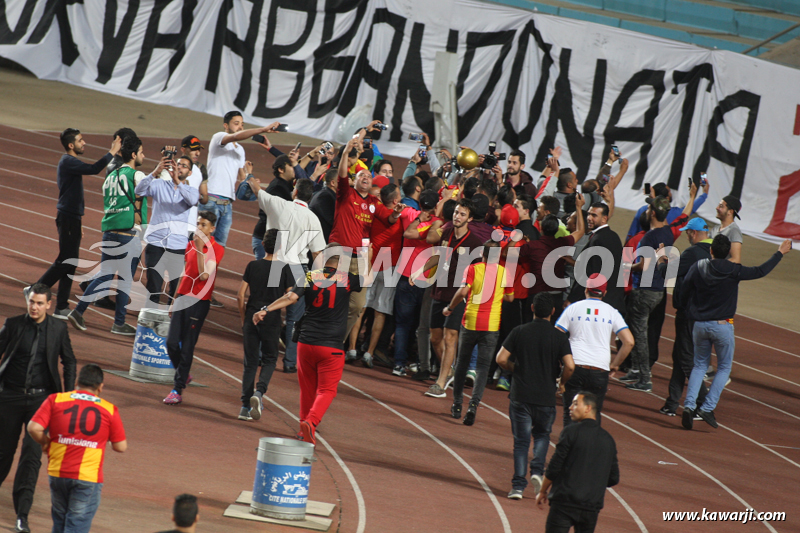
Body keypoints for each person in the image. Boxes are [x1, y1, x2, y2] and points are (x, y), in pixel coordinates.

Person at [253, 243, 372, 445]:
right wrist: (366, 254)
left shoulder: (309, 277)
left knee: (308, 389)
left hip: (306, 344)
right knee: (327, 390)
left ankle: (302, 428)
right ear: (342, 261)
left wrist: (267, 309)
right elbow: (367, 279)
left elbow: (290, 297)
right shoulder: (346, 279)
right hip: (331, 346)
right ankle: (311, 422)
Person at [681, 235, 791, 429]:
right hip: (723, 326)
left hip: (700, 324)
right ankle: (707, 408)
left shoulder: (699, 267)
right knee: (723, 368)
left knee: (699, 366)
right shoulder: (734, 271)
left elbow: (685, 290)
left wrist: (689, 310)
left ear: (711, 250)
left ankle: (689, 406)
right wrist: (779, 253)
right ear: (729, 253)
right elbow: (760, 271)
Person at [0, 284, 76, 533]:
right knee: (3, 454)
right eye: (32, 302)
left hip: (41, 402)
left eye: (40, 303)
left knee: (31, 460)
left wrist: (68, 396)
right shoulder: (12, 325)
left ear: (49, 304)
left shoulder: (58, 328)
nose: (34, 307)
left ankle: (22, 515)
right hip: (9, 397)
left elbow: (69, 360)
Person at [29, 129, 120, 319]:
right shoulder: (68, 161)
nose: (84, 142)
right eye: (80, 140)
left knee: (70, 262)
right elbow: (94, 169)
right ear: (71, 145)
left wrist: (79, 222)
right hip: (68, 217)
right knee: (66, 260)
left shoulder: (70, 162)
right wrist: (111, 152)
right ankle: (35, 289)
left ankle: (61, 305)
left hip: (73, 218)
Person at [67, 138, 154, 334]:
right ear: (133, 155)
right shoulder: (136, 174)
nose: (143, 156)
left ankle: (78, 311)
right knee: (124, 281)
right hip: (127, 235)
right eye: (141, 152)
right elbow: (151, 188)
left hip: (109, 232)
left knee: (106, 274)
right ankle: (119, 323)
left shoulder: (110, 176)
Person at [27, 364, 126, 533]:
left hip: (58, 472)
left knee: (59, 522)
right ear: (100, 387)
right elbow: (120, 447)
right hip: (88, 477)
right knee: (77, 525)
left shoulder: (56, 400)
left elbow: (33, 428)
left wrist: (46, 442)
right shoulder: (109, 409)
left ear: (77, 382)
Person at [496, 293, 574, 500]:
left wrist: (516, 369)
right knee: (542, 436)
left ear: (532, 308)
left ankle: (517, 487)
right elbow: (570, 365)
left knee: (521, 442)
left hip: (521, 395)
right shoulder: (558, 336)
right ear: (553, 312)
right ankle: (538, 471)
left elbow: (501, 359)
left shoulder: (519, 331)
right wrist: (562, 383)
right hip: (546, 397)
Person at [328, 136, 404, 344]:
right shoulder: (345, 193)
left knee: (357, 305)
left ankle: (336, 342)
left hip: (359, 258)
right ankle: (308, 329)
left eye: (368, 177)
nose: (365, 178)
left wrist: (396, 214)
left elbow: (388, 219)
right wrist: (345, 153)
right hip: (337, 251)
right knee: (327, 297)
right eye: (361, 175)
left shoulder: (374, 202)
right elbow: (343, 172)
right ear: (354, 180)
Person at [248, 172, 325, 373]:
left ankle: (258, 356)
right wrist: (316, 278)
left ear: (295, 191)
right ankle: (290, 362)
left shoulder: (278, 204)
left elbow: (257, 189)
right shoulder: (313, 219)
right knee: (294, 319)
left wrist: (249, 174)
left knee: (267, 310)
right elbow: (318, 254)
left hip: (276, 265)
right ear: (310, 197)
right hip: (298, 268)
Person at [445, 241, 514, 426]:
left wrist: (450, 308)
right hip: (491, 327)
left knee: (462, 364)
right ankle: (473, 405)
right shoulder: (504, 272)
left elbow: (463, 291)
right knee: (483, 368)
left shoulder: (473, 268)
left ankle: (457, 404)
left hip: (470, 322)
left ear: (482, 254)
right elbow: (510, 297)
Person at [422, 199, 485, 398]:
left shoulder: (475, 243)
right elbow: (439, 256)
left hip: (458, 296)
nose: (457, 216)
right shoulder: (446, 233)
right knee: (435, 338)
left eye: (462, 214)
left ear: (470, 218)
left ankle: (441, 383)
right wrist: (420, 271)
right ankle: (447, 371)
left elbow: (479, 271)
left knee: (451, 337)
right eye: (456, 212)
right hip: (439, 290)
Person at [163, 211, 225, 405]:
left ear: (212, 228)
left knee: (188, 346)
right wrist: (174, 300)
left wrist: (200, 249)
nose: (199, 228)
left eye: (204, 225)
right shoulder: (190, 245)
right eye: (198, 224)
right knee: (171, 343)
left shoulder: (217, 249)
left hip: (199, 303)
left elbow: (204, 276)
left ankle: (177, 389)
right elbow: (185, 273)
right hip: (182, 298)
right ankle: (184, 372)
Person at [555, 274, 634, 426]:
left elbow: (556, 335)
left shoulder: (573, 308)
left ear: (586, 290)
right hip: (600, 369)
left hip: (574, 366)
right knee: (593, 415)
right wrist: (615, 364)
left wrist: (560, 359)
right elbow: (629, 342)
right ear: (604, 293)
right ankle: (590, 447)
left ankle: (568, 446)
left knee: (569, 412)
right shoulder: (611, 312)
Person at [536, 392, 619, 533]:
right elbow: (613, 478)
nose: (570, 407)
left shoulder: (570, 432)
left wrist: (542, 491)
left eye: (575, 404)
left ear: (587, 408)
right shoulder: (608, 440)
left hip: (564, 503)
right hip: (591, 507)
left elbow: (554, 467)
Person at [237, 229, 294, 421]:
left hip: (251, 318)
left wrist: (244, 317)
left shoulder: (253, 265)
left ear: (263, 244)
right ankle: (259, 393)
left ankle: (244, 407)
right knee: (270, 359)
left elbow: (240, 294)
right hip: (271, 320)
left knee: (250, 363)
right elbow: (289, 296)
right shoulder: (284, 269)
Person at [657, 217, 712, 416]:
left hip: (689, 313)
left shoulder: (693, 252)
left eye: (688, 232)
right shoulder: (715, 252)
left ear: (693, 233)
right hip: (706, 313)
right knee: (681, 357)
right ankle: (672, 403)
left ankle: (705, 405)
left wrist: (661, 261)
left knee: (687, 360)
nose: (687, 235)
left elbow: (669, 273)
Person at [202, 110, 279, 247]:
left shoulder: (240, 150)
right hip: (212, 199)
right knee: (202, 243)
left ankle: (210, 269)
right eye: (236, 123)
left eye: (242, 124)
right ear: (226, 125)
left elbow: (242, 177)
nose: (240, 127)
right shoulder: (219, 138)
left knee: (219, 246)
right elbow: (236, 136)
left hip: (227, 203)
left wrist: (251, 181)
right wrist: (263, 129)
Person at [138, 153, 201, 305]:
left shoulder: (191, 191)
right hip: (156, 244)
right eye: (178, 164)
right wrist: (155, 172)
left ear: (189, 173)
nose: (180, 167)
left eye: (184, 166)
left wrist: (177, 182)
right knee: (153, 288)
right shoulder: (159, 185)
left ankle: (168, 324)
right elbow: (139, 191)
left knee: (174, 291)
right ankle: (149, 323)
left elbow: (192, 201)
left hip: (177, 246)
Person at [392, 189, 440, 376]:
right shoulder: (439, 224)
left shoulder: (409, 215)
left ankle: (399, 363)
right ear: (436, 205)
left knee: (403, 323)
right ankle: (422, 364)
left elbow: (394, 213)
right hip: (427, 279)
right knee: (424, 327)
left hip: (406, 275)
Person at [362, 184, 405, 368]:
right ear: (395, 200)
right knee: (381, 312)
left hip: (371, 263)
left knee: (362, 307)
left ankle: (352, 348)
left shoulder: (375, 210)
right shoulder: (403, 216)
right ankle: (369, 353)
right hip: (390, 266)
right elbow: (394, 218)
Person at [565, 202, 625, 314]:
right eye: (589, 214)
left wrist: (572, 298)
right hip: (611, 298)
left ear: (604, 219)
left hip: (596, 299)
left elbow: (589, 273)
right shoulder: (614, 236)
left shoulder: (597, 239)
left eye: (594, 215)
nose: (589, 218)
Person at [626, 180, 708, 240]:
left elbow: (630, 234)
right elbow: (689, 210)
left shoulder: (642, 210)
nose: (671, 193)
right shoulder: (674, 215)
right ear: (667, 198)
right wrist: (703, 194)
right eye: (669, 191)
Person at [710, 195, 743, 263]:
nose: (717, 208)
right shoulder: (715, 229)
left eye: (721, 206)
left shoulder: (734, 231)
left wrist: (714, 265)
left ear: (730, 212)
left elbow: (736, 260)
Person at [309, 168, 338, 242]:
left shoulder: (326, 194)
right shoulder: (324, 196)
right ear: (333, 183)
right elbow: (332, 221)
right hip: (320, 243)